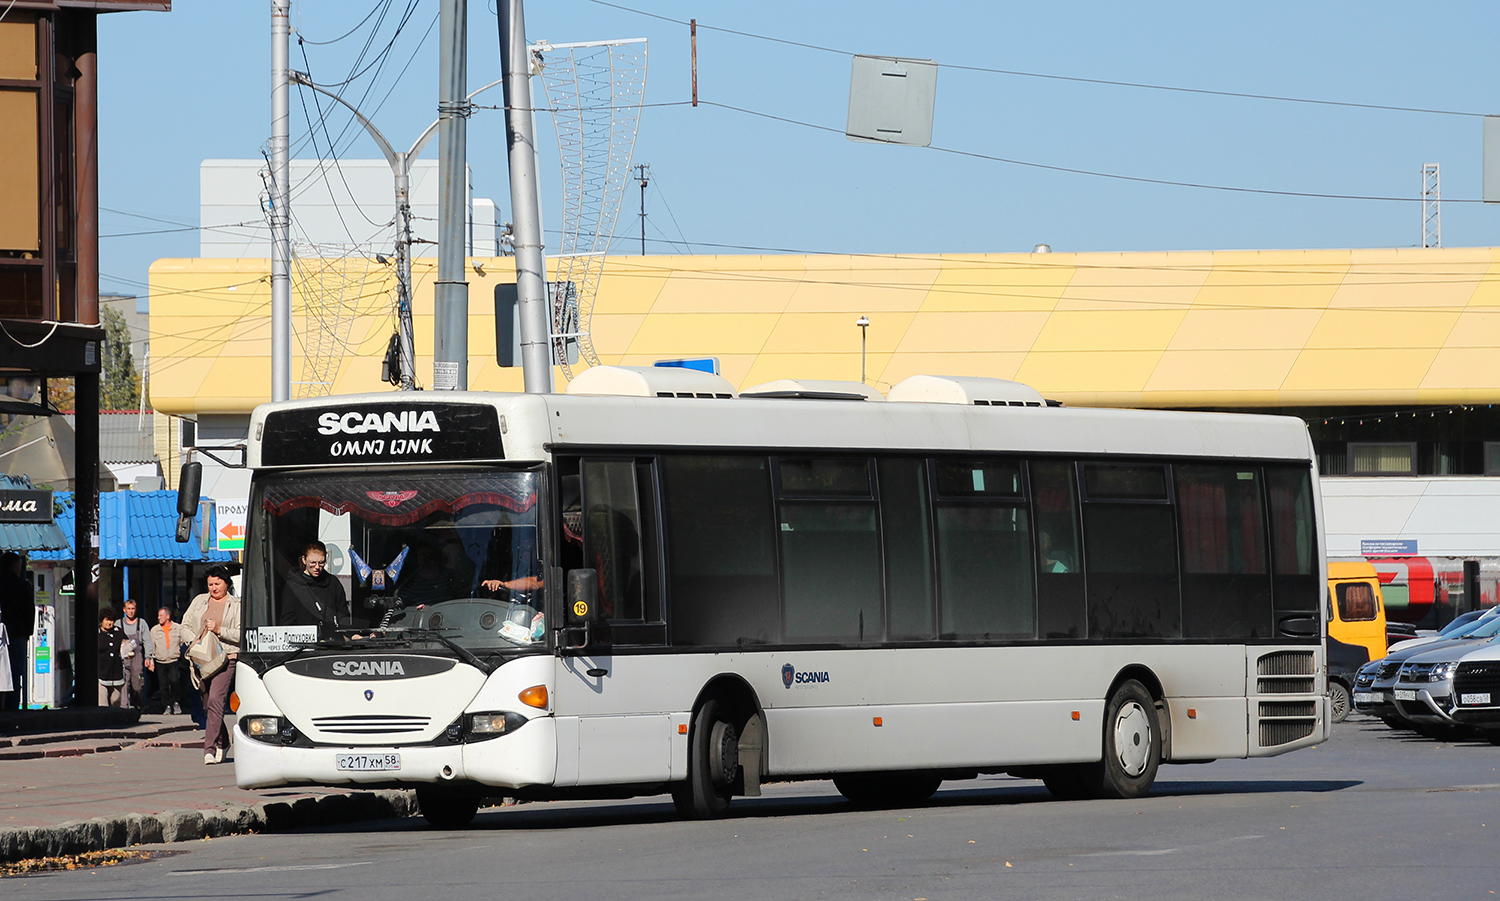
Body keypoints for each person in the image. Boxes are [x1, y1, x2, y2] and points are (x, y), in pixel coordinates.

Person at [181, 566, 241, 765]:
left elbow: (242, 634)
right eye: (210, 584)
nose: (214, 588)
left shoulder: (236, 605)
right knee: (208, 705)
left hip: (226, 658)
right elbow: (184, 627)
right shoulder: (199, 601)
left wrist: (219, 629)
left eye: (217, 583)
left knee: (216, 700)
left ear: (226, 583)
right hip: (202, 660)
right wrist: (196, 640)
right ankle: (224, 742)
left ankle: (209, 749)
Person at [279, 541, 349, 633]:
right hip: (303, 640)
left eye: (321, 562)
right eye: (313, 562)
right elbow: (288, 619)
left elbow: (343, 615)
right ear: (304, 560)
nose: (317, 567)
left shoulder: (333, 583)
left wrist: (349, 634)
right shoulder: (293, 585)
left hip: (330, 640)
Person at [0, 552, 34, 710]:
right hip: (16, 633)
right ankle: (12, 709)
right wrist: (27, 633)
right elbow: (29, 612)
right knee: (14, 674)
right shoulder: (22, 585)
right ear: (15, 567)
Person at [118, 599, 154, 708]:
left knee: (138, 684)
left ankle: (138, 705)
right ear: (124, 610)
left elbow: (147, 641)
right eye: (128, 609)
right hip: (123, 657)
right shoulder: (118, 624)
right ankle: (124, 708)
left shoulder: (141, 623)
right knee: (124, 683)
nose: (131, 611)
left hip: (137, 657)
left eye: (133, 608)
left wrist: (148, 657)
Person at [150, 605, 185, 714]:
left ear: (168, 616)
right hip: (160, 660)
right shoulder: (155, 630)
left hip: (174, 660)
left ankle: (176, 702)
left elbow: (183, 643)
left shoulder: (178, 628)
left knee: (175, 681)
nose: (158, 617)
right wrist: (151, 661)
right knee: (163, 685)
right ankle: (167, 705)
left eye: (161, 615)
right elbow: (151, 646)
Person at [97, 607, 128, 708]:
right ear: (102, 620)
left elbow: (126, 646)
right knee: (102, 703)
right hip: (101, 673)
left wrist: (128, 652)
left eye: (111, 620)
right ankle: (103, 721)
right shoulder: (97, 634)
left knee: (115, 701)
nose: (109, 623)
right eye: (107, 620)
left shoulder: (118, 632)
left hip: (116, 672)